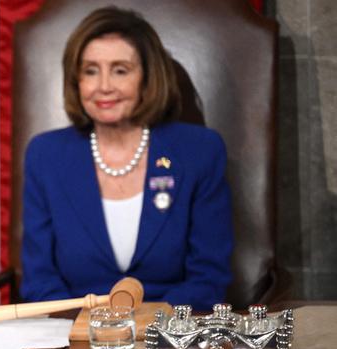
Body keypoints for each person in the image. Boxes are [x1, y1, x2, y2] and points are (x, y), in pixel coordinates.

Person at [21, 6, 232, 311]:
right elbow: (39, 281)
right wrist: (91, 330)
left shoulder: (199, 152)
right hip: (74, 335)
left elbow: (209, 278)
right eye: (90, 70)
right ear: (76, 80)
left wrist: (143, 324)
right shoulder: (46, 155)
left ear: (147, 80)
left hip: (170, 337)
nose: (104, 86)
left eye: (120, 70)